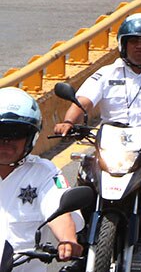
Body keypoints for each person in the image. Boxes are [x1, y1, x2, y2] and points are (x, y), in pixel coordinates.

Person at [53, 15, 141, 272]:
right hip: (109, 152)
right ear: (122, 45)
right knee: (82, 186)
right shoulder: (105, 74)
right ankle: (82, 245)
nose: (138, 46)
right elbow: (83, 101)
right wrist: (69, 122)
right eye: (133, 41)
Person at [0, 88, 83, 269]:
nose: (5, 141)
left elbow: (58, 211)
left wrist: (67, 240)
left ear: (31, 137)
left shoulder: (44, 173)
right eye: (0, 132)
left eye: (15, 133)